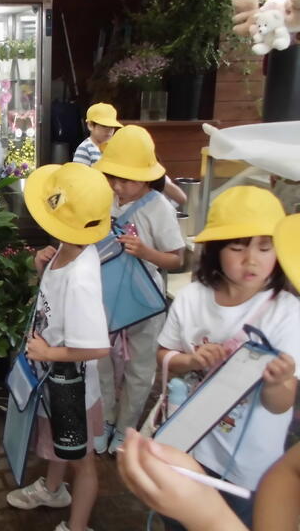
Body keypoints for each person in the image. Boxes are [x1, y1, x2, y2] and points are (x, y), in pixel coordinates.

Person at [118, 212, 300, 531]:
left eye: (264, 248)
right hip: (188, 446)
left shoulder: (288, 312)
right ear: (215, 251)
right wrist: (191, 361)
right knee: (177, 521)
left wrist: (278, 382)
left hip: (248, 467)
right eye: (237, 247)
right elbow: (164, 356)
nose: (251, 260)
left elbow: (280, 404)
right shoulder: (192, 297)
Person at [5, 162, 113, 531]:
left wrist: (49, 353)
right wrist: (42, 270)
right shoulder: (67, 249)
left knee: (82, 460)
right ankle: (53, 490)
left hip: (73, 387)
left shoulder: (81, 277)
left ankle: (77, 526)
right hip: (53, 379)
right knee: (59, 443)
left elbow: (97, 347)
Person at [91, 125, 185, 455]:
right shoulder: (105, 198)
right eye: (113, 177)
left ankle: (126, 428)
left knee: (140, 369)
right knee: (100, 360)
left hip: (144, 302)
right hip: (105, 294)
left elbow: (176, 259)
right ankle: (105, 419)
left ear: (147, 177)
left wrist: (145, 252)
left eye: (127, 179)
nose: (118, 186)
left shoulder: (159, 207)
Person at [72, 103, 187, 206]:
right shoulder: (85, 148)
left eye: (112, 127)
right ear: (90, 125)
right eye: (104, 126)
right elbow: (78, 182)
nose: (109, 131)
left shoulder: (119, 146)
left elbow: (181, 198)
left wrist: (158, 179)